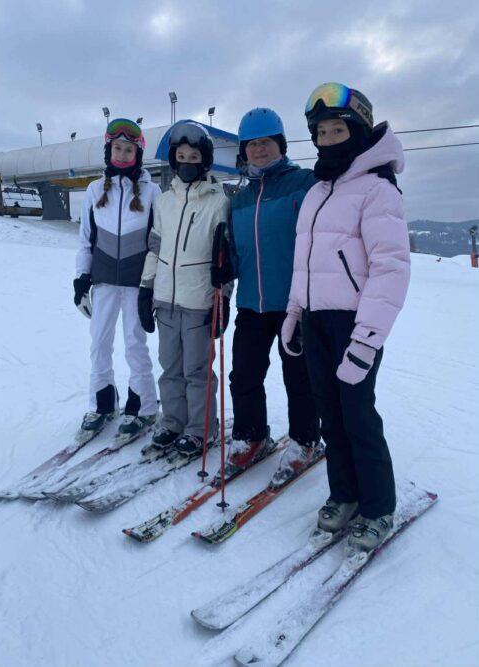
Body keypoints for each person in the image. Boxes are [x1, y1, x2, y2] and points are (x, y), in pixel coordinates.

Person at [282, 82, 411, 551]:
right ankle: (345, 493)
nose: (328, 139)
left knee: (358, 416)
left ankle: (378, 508)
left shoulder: (377, 190)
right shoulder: (318, 192)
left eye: (337, 130)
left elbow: (390, 269)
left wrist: (367, 338)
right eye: (321, 132)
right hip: (316, 320)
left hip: (354, 323)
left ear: (357, 131)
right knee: (330, 417)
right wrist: (295, 312)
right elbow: (304, 262)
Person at [212, 107, 321, 483]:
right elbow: (236, 253)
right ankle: (251, 435)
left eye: (266, 143)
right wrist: (224, 273)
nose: (259, 150)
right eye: (251, 145)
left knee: (299, 378)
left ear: (281, 145)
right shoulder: (239, 200)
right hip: (252, 305)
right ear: (243, 152)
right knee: (243, 374)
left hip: (296, 305)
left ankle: (306, 440)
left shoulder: (304, 183)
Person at [139, 121, 231, 455]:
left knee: (197, 370)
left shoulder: (218, 203)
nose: (187, 162)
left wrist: (224, 300)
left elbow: (224, 259)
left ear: (204, 161)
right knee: (170, 368)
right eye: (181, 157)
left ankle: (201, 428)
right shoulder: (164, 202)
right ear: (174, 161)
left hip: (198, 302)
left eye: (194, 157)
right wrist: (146, 288)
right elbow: (154, 248)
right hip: (165, 300)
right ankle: (173, 422)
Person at [74, 118, 159, 437]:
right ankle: (102, 404)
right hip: (104, 281)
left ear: (138, 155)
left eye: (129, 150)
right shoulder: (95, 190)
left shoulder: (152, 191)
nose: (123, 154)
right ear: (109, 151)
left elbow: (157, 241)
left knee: (135, 344)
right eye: (118, 148)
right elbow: (86, 239)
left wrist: (152, 285)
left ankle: (143, 407)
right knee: (99, 343)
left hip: (136, 283)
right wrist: (81, 279)